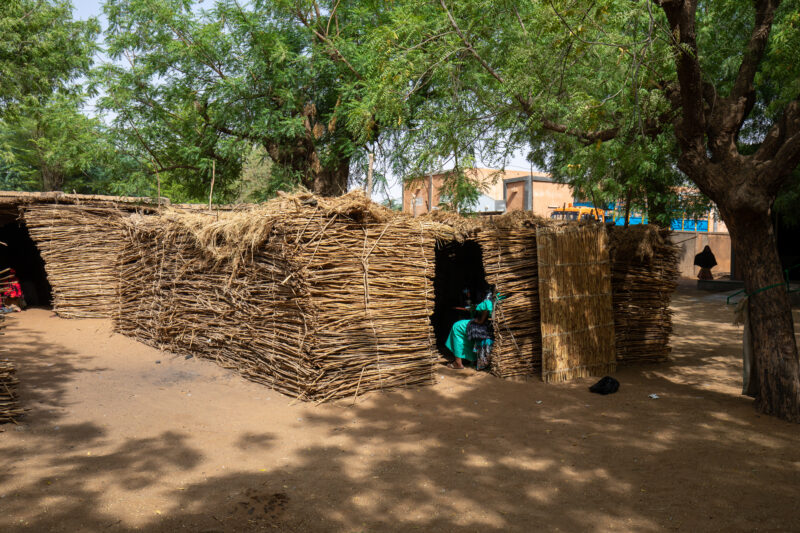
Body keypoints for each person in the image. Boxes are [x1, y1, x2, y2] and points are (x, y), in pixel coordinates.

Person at [445, 286, 494, 370]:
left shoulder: (491, 294)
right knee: (463, 326)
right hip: (488, 325)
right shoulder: (502, 294)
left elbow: (487, 305)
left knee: (457, 326)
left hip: (485, 326)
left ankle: (458, 363)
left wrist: (480, 320)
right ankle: (469, 357)